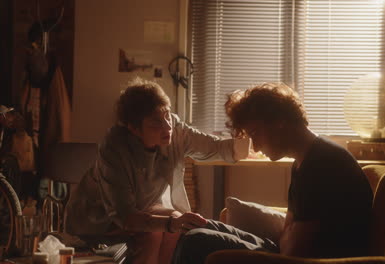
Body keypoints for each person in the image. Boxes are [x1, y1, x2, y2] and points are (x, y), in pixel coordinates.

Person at [172, 82, 373, 263]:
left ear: (279, 121)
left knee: (196, 242)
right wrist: (286, 239)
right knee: (198, 228)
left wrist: (285, 241)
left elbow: (296, 250)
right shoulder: (304, 161)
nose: (256, 147)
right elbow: (289, 231)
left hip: (309, 262)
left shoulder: (322, 163)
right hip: (286, 253)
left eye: (255, 134)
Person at [64, 77, 249, 263]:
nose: (167, 126)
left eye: (167, 115)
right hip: (97, 219)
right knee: (154, 232)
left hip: (143, 207)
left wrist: (245, 126)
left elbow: (216, 148)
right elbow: (125, 215)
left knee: (178, 221)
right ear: (133, 128)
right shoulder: (114, 147)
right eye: (155, 122)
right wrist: (169, 224)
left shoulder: (174, 129)